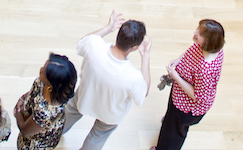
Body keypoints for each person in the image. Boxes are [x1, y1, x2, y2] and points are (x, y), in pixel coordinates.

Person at [62, 10, 150, 150]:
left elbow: (82, 43)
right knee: (96, 138)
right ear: (134, 48)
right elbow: (142, 94)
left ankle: (53, 135)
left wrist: (108, 27)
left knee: (69, 113)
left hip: (84, 97)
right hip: (110, 114)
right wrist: (145, 56)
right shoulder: (134, 77)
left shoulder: (94, 45)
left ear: (118, 34)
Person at [154, 19, 225, 150]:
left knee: (173, 135)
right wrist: (178, 60)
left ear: (208, 41)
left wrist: (176, 77)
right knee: (171, 121)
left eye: (200, 33)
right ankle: (170, 122)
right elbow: (192, 51)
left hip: (186, 108)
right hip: (180, 94)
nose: (195, 32)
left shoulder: (206, 70)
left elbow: (196, 96)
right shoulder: (211, 48)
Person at [15, 53, 78, 150]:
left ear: (50, 87)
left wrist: (17, 112)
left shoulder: (46, 113)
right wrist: (23, 98)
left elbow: (25, 130)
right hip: (32, 120)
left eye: (43, 72)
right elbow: (34, 90)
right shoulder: (44, 82)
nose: (40, 70)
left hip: (34, 143)